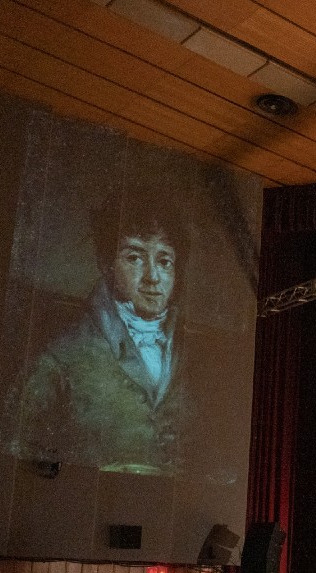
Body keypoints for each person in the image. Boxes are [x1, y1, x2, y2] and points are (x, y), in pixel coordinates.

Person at [13, 204, 196, 475]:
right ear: (106, 264)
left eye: (164, 262)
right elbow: (22, 447)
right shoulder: (61, 357)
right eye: (134, 258)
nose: (153, 277)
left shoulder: (191, 356)